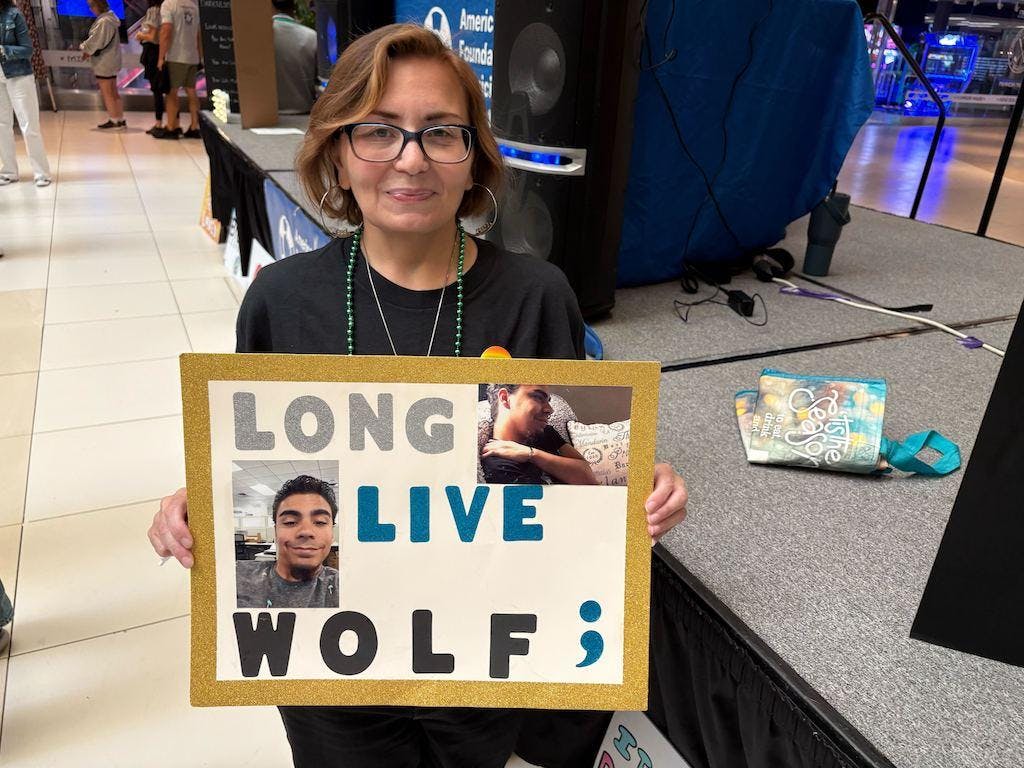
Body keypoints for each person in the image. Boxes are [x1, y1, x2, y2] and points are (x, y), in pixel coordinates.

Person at [148, 24, 689, 768]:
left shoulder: (538, 296)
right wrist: (204, 502)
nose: (410, 158)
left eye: (441, 133)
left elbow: (561, 478)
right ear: (338, 150)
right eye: (378, 131)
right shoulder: (282, 300)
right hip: (333, 668)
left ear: (474, 159)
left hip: (482, 656)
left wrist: (631, 483)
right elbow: (264, 475)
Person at [237, 475, 339, 609]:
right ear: (275, 531)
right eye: (290, 522)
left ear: (332, 533)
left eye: (320, 522)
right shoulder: (236, 577)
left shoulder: (346, 585)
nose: (306, 531)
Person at [481, 384, 598, 485]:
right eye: (538, 397)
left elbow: (588, 477)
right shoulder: (498, 467)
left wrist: (531, 454)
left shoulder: (543, 432)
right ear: (505, 398)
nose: (550, 409)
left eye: (548, 401)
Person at [0, 0, 51, 186]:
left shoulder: (14, 14)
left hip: (18, 75)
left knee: (29, 125)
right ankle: (8, 171)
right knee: (1, 125)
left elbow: (27, 49)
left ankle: (41, 173)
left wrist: (4, 50)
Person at [156, 0, 201, 140]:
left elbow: (166, 31)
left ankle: (171, 128)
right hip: (192, 56)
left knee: (171, 92)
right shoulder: (194, 6)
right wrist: (199, 56)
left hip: (175, 56)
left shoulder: (169, 5)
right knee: (192, 92)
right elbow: (199, 35)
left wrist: (161, 56)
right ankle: (194, 127)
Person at [80, 0, 124, 130]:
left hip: (104, 61)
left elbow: (95, 41)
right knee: (114, 91)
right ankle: (119, 118)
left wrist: (84, 48)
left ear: (96, 6)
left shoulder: (103, 22)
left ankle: (114, 120)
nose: (90, 9)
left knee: (107, 92)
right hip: (112, 59)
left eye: (91, 6)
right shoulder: (112, 19)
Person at [272, 0, 317, 115]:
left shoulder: (259, 35)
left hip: (267, 115)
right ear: (295, 6)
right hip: (304, 112)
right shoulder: (311, 36)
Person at [135, 0, 167, 135]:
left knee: (157, 89)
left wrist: (140, 35)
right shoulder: (166, 10)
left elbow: (153, 37)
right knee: (165, 89)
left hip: (153, 52)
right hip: (163, 51)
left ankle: (159, 123)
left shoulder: (153, 11)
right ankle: (168, 122)